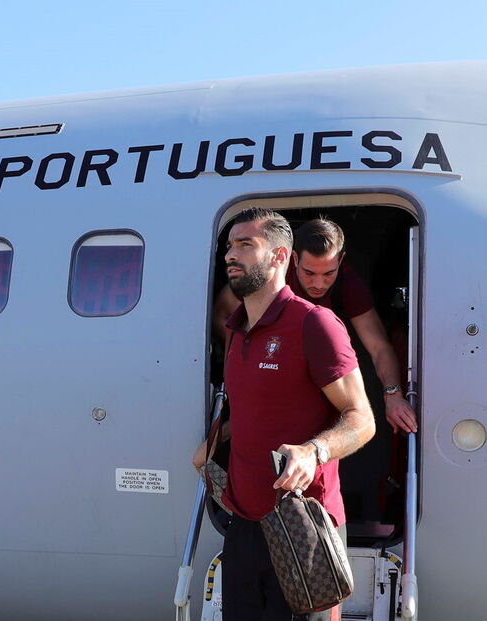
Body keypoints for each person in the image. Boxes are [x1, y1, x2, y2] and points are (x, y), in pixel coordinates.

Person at [194, 207, 376, 621]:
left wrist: (314, 451)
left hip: (303, 529)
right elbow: (258, 409)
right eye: (229, 246)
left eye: (245, 245)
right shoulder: (236, 328)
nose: (230, 255)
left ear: (279, 257)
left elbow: (362, 418)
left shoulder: (315, 324)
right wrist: (213, 443)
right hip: (243, 527)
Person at [212, 216, 417, 434]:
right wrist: (251, 361)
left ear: (341, 260)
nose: (318, 284)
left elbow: (379, 347)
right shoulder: (272, 274)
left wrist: (393, 395)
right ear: (294, 259)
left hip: (318, 364)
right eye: (309, 273)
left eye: (328, 273)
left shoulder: (348, 284)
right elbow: (221, 314)